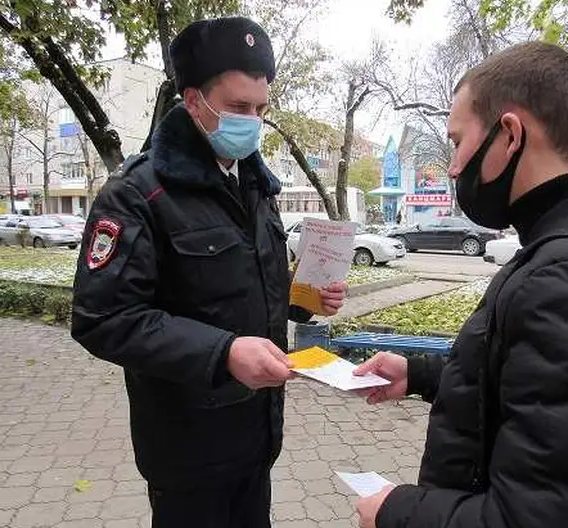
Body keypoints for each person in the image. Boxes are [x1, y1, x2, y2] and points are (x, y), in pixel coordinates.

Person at [353, 42, 568, 528]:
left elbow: (550, 516)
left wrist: (397, 512)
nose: (452, 168)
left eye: (456, 142)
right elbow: (542, 382)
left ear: (509, 135)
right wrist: (423, 374)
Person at [70, 16, 347, 528]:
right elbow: (103, 318)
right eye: (240, 108)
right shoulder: (137, 194)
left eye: (261, 109)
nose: (254, 122)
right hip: (187, 451)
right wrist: (224, 354)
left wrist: (303, 297)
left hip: (257, 435)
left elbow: (247, 283)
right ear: (194, 101)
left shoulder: (255, 187)